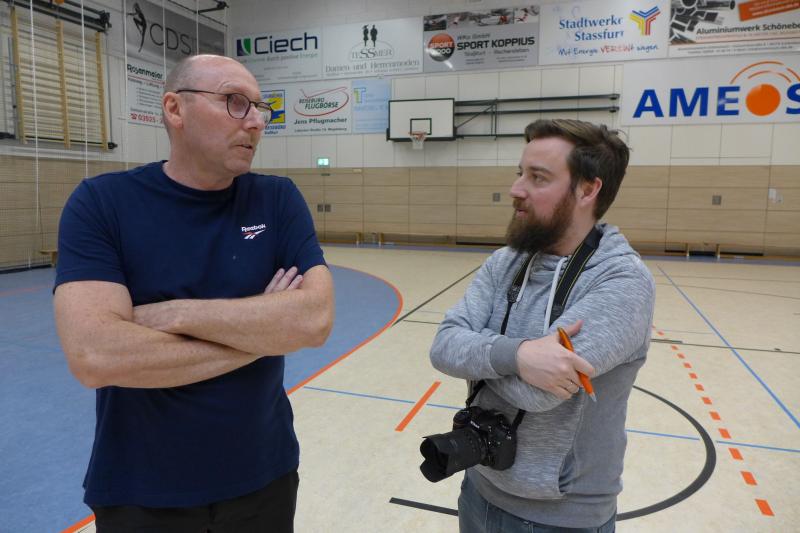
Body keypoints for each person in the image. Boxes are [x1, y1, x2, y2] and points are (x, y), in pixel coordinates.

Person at [53, 54, 334, 532]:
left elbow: (314, 320)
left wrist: (175, 314)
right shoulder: (102, 203)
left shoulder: (276, 198)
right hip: (142, 490)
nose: (256, 122)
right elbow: (96, 355)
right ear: (175, 109)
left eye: (260, 108)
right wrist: (264, 331)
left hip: (264, 477)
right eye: (235, 102)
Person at [430, 119, 655, 532]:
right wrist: (518, 355)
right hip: (478, 488)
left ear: (587, 189)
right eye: (520, 173)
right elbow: (443, 346)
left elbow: (536, 394)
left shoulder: (621, 281)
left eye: (538, 177)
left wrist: (478, 352)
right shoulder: (505, 262)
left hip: (560, 519)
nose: (516, 189)